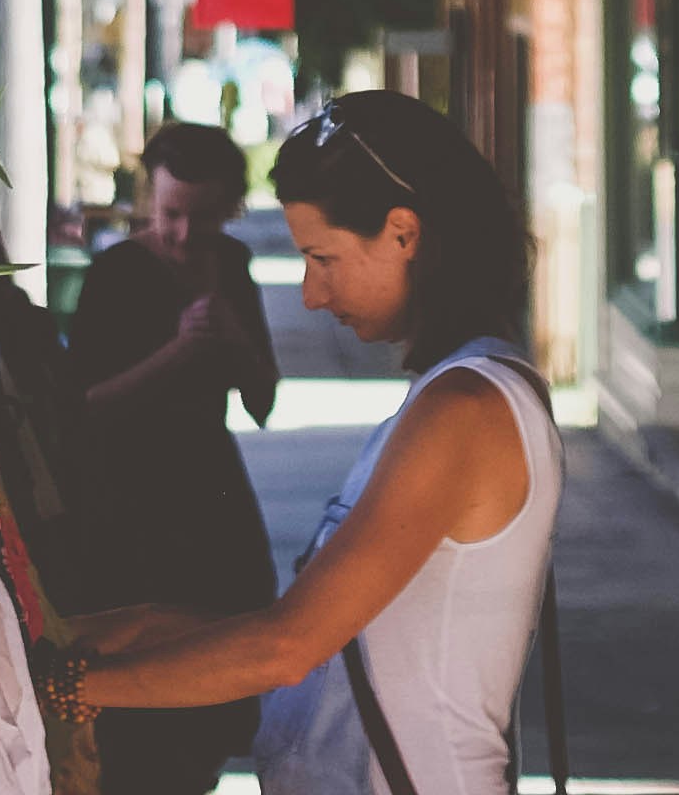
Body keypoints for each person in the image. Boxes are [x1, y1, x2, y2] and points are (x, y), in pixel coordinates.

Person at [71, 92, 560, 795]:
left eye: (322, 258)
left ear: (403, 233)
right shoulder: (453, 394)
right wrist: (121, 632)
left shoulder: (465, 408)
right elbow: (323, 631)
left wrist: (62, 687)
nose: (310, 293)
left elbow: (288, 646)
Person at [69, 121, 286, 795]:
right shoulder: (118, 272)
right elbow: (83, 410)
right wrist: (179, 353)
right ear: (148, 202)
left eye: (204, 218)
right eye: (169, 215)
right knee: (143, 687)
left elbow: (262, 400)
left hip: (211, 492)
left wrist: (236, 343)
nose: (185, 235)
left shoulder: (234, 266)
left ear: (230, 210)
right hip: (129, 499)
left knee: (222, 672)